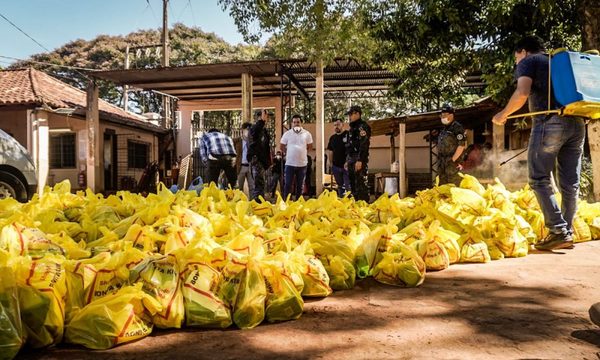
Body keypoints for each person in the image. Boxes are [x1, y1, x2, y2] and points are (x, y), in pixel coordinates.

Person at [492, 35, 585, 251]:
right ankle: (566, 232)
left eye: (516, 58)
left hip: (549, 121)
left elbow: (522, 92)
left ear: (523, 51)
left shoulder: (529, 62)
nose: (517, 62)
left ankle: (558, 230)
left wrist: (503, 114)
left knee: (538, 178)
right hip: (577, 122)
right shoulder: (558, 62)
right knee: (570, 183)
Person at [280, 114, 313, 200]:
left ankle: (298, 203)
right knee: (288, 184)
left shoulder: (307, 134)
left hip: (302, 165)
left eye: (298, 122)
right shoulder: (287, 134)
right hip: (290, 164)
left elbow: (310, 147)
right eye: (294, 122)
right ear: (292, 123)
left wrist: (301, 152)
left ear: (301, 123)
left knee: (300, 186)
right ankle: (286, 203)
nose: (296, 124)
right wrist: (290, 152)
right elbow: (282, 146)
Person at [344, 105, 371, 202]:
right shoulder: (352, 128)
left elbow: (364, 144)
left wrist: (360, 160)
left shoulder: (362, 127)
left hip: (359, 159)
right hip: (351, 159)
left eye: (351, 114)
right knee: (353, 185)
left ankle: (364, 205)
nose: (349, 117)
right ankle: (356, 207)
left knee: (361, 184)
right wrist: (347, 160)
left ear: (357, 114)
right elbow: (349, 146)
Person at [437, 103, 466, 185]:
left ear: (451, 115)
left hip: (452, 162)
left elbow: (461, 145)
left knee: (453, 185)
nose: (442, 117)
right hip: (442, 161)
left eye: (444, 115)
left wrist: (453, 160)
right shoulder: (445, 128)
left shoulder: (457, 128)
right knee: (442, 186)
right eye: (441, 115)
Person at [248, 109, 272, 201]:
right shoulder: (255, 129)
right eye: (266, 117)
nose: (267, 119)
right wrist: (261, 120)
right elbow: (256, 130)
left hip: (261, 161)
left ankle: (260, 202)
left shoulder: (264, 131)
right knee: (258, 183)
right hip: (256, 160)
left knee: (261, 183)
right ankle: (257, 203)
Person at [327, 118, 351, 197]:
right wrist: (330, 163)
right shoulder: (332, 138)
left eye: (338, 124)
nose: (336, 126)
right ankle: (342, 204)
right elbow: (330, 151)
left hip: (347, 166)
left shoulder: (348, 135)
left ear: (342, 125)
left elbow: (352, 150)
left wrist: (348, 162)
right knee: (340, 186)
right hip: (336, 166)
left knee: (348, 187)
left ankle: (351, 205)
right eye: (335, 125)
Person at [235, 122, 254, 195]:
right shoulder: (237, 141)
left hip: (250, 166)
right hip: (241, 166)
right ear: (242, 130)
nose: (248, 131)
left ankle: (253, 203)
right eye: (247, 130)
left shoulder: (252, 141)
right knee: (239, 188)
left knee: (252, 186)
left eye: (249, 130)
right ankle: (239, 204)